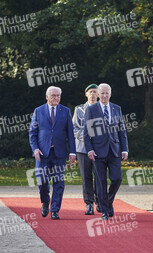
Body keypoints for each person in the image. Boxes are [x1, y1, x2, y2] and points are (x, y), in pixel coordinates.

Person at [29, 86, 76, 220]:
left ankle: (55, 209)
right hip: (42, 153)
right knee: (41, 180)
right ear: (47, 96)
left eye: (58, 95)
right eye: (53, 95)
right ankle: (45, 201)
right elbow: (32, 133)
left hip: (59, 153)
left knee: (59, 182)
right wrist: (35, 149)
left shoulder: (65, 111)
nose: (56, 98)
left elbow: (70, 134)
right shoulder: (38, 111)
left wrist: (72, 152)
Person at [83, 83, 129, 220]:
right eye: (101, 93)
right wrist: (89, 149)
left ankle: (108, 202)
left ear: (110, 93)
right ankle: (104, 211)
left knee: (117, 178)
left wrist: (125, 149)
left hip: (115, 150)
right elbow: (86, 133)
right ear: (98, 94)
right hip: (98, 151)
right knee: (100, 181)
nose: (104, 96)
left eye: (106, 93)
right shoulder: (91, 109)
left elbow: (122, 130)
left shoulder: (116, 108)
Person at [73, 84, 100, 215]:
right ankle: (89, 203)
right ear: (86, 94)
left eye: (95, 92)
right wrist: (86, 139)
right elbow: (74, 128)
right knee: (86, 177)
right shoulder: (79, 110)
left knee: (99, 176)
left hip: (100, 148)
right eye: (90, 92)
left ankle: (99, 201)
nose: (93, 94)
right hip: (83, 148)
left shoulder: (102, 109)